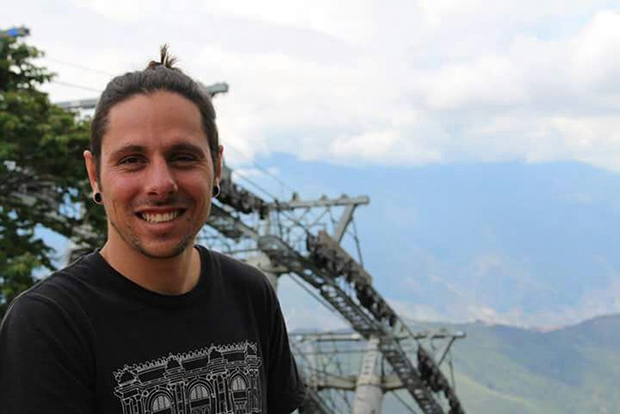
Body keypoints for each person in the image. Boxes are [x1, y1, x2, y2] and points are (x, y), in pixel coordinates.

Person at [0, 46, 306, 414]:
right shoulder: (50, 324)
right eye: (132, 160)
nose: (160, 184)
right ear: (94, 175)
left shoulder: (250, 295)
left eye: (183, 157)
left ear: (217, 167)